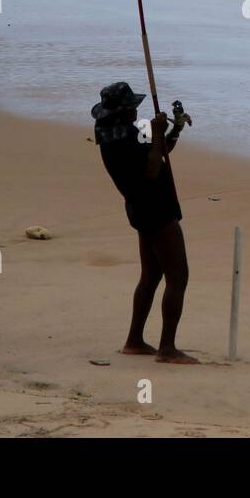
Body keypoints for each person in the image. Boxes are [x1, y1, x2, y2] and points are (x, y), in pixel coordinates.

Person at [91, 81, 197, 364]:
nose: (135, 114)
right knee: (178, 276)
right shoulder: (121, 141)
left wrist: (172, 130)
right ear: (123, 112)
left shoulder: (115, 133)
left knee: (151, 276)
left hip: (140, 210)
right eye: (131, 110)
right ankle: (167, 348)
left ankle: (134, 340)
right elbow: (151, 169)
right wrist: (159, 132)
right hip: (156, 211)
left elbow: (158, 151)